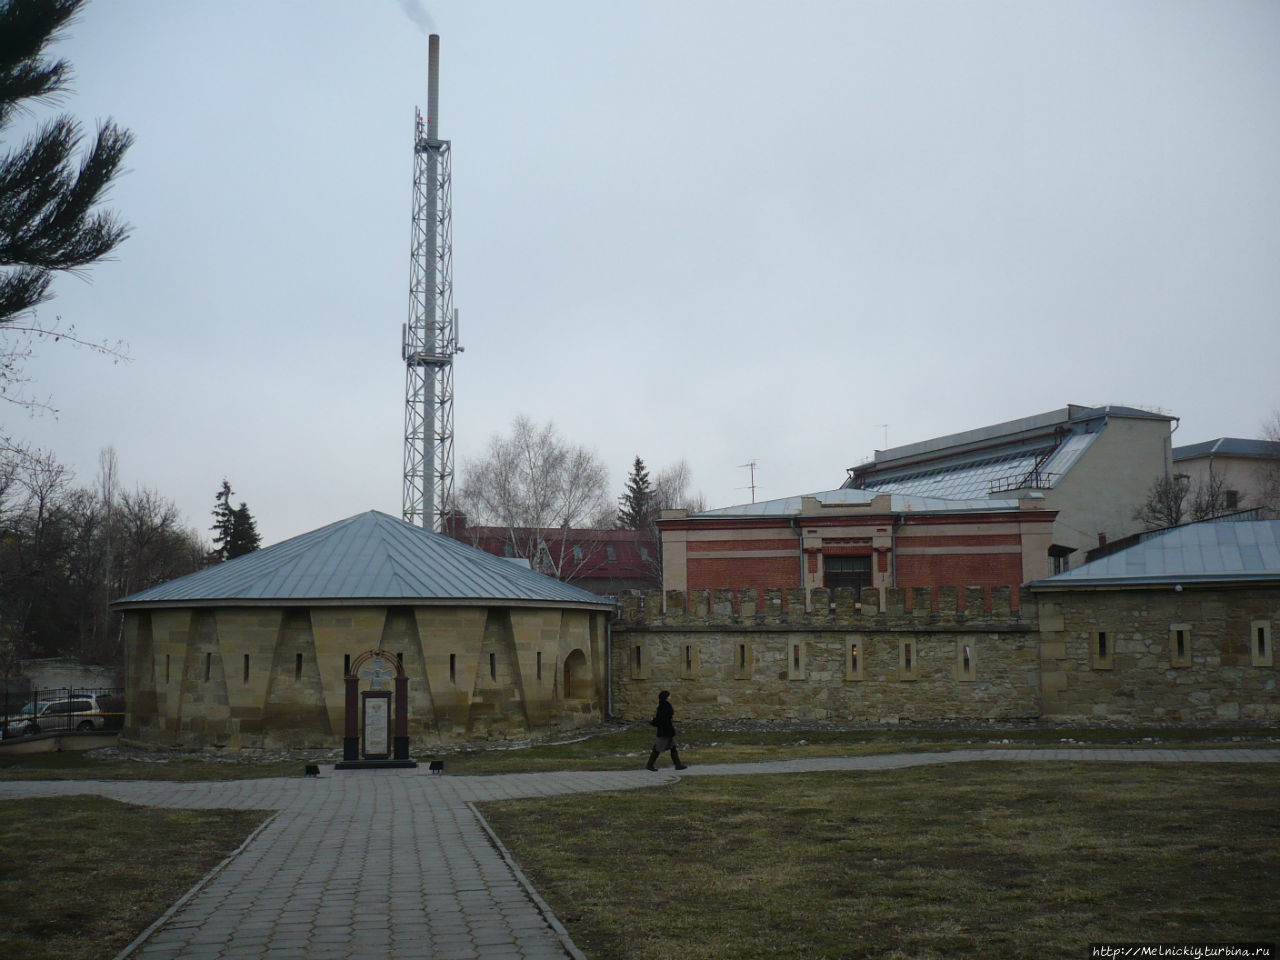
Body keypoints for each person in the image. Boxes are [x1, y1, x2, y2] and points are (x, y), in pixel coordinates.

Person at [646, 690, 687, 771]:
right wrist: (653, 722)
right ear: (665, 698)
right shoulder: (663, 707)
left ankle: (678, 765)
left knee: (673, 748)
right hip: (664, 731)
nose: (670, 698)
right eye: (669, 696)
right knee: (657, 748)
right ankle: (649, 765)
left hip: (667, 730)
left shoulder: (665, 706)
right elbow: (660, 720)